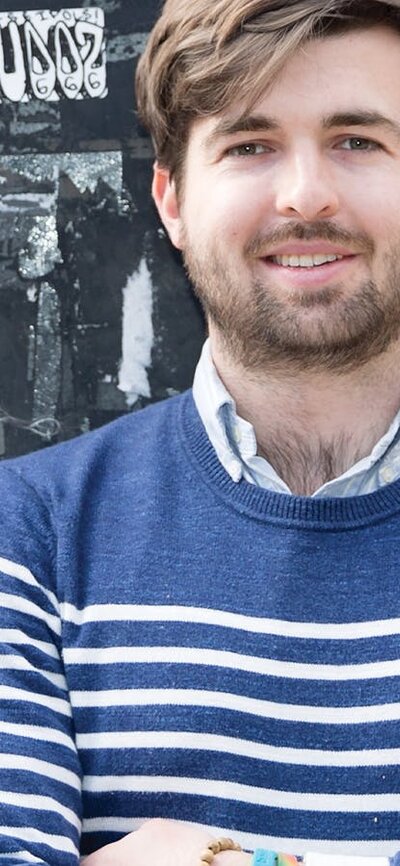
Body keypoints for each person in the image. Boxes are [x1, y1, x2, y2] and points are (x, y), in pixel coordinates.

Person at [1, 1, 400, 865]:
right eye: (250, 145)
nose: (306, 194)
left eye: (358, 140)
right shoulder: (27, 537)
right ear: (172, 202)